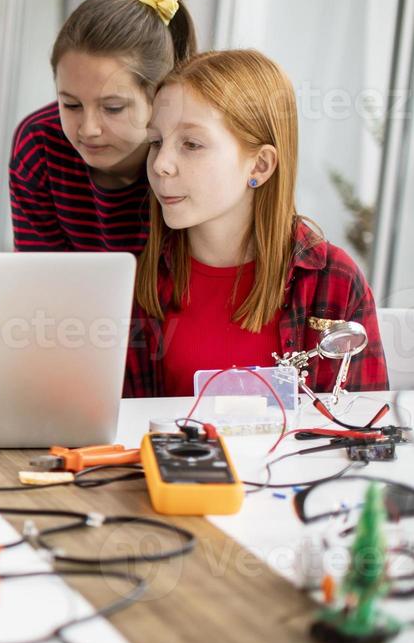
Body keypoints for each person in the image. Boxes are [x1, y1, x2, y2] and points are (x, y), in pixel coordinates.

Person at [124, 49, 388, 396]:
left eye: (191, 143)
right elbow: (120, 428)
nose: (161, 164)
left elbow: (364, 433)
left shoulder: (333, 281)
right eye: (156, 142)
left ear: (260, 166)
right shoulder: (144, 277)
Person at [11, 0, 198, 253]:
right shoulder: (39, 144)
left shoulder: (196, 156)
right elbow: (40, 277)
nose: (88, 129)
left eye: (113, 108)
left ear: (160, 97)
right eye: (71, 105)